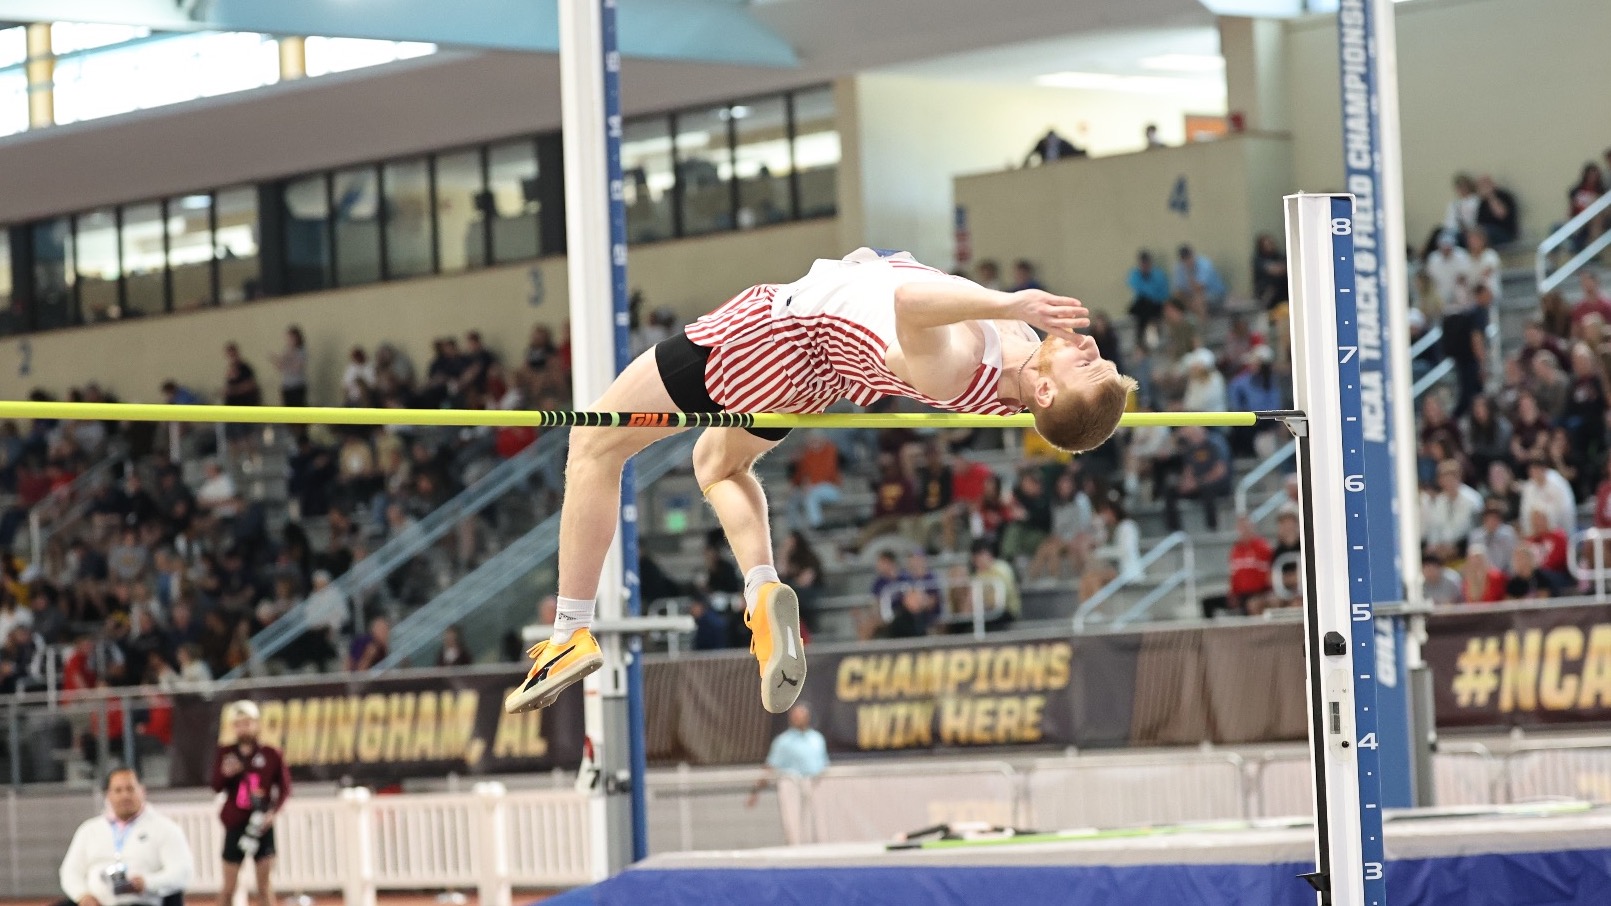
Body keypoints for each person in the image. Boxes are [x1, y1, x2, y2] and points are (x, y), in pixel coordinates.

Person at [503, 248, 1136, 716]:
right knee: (717, 465)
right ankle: (761, 592)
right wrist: (870, 268)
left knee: (592, 445)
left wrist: (1005, 301)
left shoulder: (969, 362)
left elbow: (909, 306)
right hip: (818, 367)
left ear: (1047, 391)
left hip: (775, 339)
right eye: (1100, 359)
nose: (1091, 350)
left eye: (1089, 366)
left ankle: (567, 633)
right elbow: (903, 309)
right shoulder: (1022, 352)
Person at [58, 768, 194, 906]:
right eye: (118, 790)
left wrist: (147, 883)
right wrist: (83, 896)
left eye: (130, 789)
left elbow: (182, 872)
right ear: (108, 795)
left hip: (142, 901)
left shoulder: (165, 828)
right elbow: (69, 872)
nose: (125, 796)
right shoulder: (89, 830)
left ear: (142, 791)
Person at [210, 701, 290, 906]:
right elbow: (216, 785)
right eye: (239, 723)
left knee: (264, 886)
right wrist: (226, 774)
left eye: (247, 723)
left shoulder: (271, 754)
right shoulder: (226, 753)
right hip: (235, 822)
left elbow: (284, 788)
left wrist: (273, 812)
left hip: (260, 823)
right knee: (229, 887)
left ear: (256, 724)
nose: (243, 728)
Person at [745, 704, 829, 844]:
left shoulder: (817, 739)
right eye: (795, 716)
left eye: (801, 716)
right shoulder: (783, 742)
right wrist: (755, 792)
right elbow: (769, 768)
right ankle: (795, 851)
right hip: (792, 787)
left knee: (817, 824)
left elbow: (824, 764)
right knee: (793, 823)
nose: (798, 719)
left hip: (815, 786)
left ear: (807, 718)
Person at [1127, 250, 1170, 350]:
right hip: (1143, 305)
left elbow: (1160, 294)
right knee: (1139, 308)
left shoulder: (1158, 274)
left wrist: (1148, 293)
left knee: (1147, 309)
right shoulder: (1135, 274)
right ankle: (1143, 340)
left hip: (1157, 303)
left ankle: (1144, 340)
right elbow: (1135, 286)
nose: (1144, 266)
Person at [268, 326, 308, 407]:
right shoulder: (286, 350)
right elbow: (280, 367)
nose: (289, 340)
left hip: (297, 385)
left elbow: (297, 368)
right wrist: (275, 360)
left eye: (291, 338)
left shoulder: (301, 351)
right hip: (286, 385)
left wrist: (287, 363)